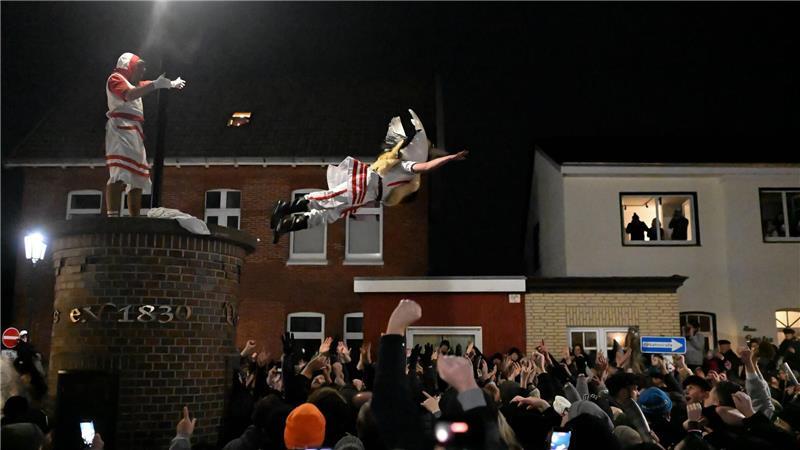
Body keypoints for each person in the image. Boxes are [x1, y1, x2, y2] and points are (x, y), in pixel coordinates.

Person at [270, 109, 468, 243]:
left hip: (370, 195)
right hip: (367, 184)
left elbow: (430, 154)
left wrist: (448, 155)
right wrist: (449, 158)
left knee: (330, 214)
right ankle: (284, 208)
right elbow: (426, 166)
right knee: (328, 199)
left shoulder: (406, 173)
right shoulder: (404, 166)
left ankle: (286, 225)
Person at [105, 52, 186, 217]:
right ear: (129, 68)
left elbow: (144, 84)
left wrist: (169, 84)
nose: (143, 72)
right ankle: (112, 217)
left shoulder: (132, 82)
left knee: (137, 179)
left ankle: (134, 219)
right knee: (120, 172)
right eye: (139, 69)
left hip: (134, 131)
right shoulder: (115, 79)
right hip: (120, 129)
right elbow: (130, 94)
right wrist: (156, 85)